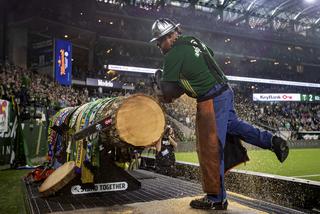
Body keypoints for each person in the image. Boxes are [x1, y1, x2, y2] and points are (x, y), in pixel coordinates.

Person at [150, 18, 289, 210]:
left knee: (210, 148)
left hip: (211, 99)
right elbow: (210, 56)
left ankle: (216, 199)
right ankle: (272, 141)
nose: (158, 45)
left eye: (159, 40)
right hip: (224, 90)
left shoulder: (172, 55)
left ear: (170, 36)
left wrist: (158, 82)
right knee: (234, 126)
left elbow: (169, 92)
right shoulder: (192, 40)